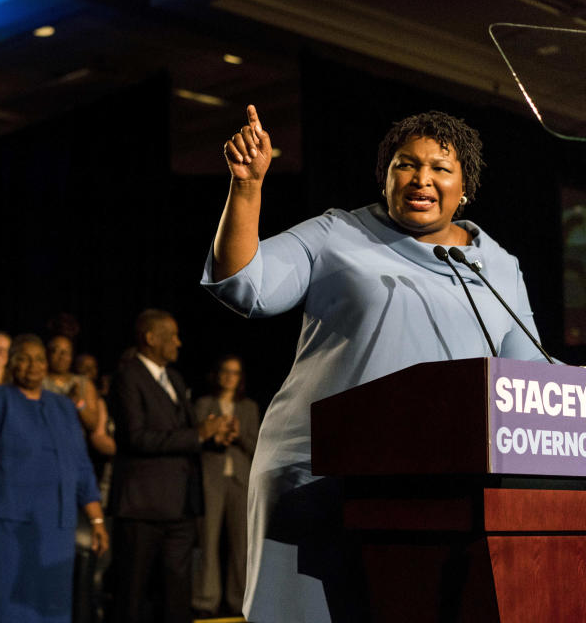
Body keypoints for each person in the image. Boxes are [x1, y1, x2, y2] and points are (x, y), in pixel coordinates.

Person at [203, 106, 552, 622]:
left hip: (439, 491)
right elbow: (243, 285)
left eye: (440, 168)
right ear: (385, 174)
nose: (421, 179)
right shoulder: (335, 234)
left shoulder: (497, 265)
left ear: (466, 186)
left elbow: (533, 385)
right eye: (406, 164)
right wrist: (248, 188)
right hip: (315, 474)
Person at [0, 334, 109, 623]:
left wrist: (96, 520)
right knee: (2, 609)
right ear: (11, 363)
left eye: (39, 359)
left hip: (54, 532)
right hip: (3, 526)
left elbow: (82, 466)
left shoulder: (63, 407)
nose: (32, 365)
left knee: (51, 611)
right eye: (23, 357)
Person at [108, 309, 231, 623]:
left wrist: (213, 436)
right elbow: (135, 438)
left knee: (177, 598)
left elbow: (182, 432)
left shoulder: (174, 378)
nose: (179, 342)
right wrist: (196, 434)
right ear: (151, 338)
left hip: (180, 507)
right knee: (132, 598)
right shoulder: (127, 377)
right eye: (172, 335)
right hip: (142, 508)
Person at [191, 355, 258, 617]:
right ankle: (205, 600)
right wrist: (216, 436)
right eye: (226, 371)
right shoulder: (204, 403)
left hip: (240, 480)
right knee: (208, 540)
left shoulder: (249, 407)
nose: (230, 376)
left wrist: (238, 435)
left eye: (235, 372)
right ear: (218, 374)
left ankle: (239, 599)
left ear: (240, 378)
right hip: (212, 478)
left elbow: (256, 447)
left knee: (241, 544)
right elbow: (195, 440)